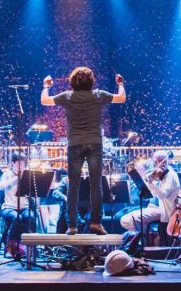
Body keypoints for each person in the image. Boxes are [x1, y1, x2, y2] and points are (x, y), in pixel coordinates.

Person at [41, 67, 126, 235]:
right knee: (96, 185)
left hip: (75, 144)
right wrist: (121, 84)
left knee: (74, 185)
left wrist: (46, 86)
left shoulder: (67, 96)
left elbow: (45, 101)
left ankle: (72, 225)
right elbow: (121, 98)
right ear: (91, 81)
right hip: (94, 143)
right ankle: (96, 222)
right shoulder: (99, 94)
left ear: (72, 81)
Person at [120, 150, 180, 238]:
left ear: (166, 161)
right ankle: (148, 236)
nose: (156, 164)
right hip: (155, 207)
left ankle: (148, 236)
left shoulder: (170, 175)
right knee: (128, 219)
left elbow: (163, 195)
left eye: (159, 161)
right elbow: (152, 194)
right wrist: (148, 182)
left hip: (165, 211)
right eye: (155, 162)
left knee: (127, 220)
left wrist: (151, 183)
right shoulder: (161, 175)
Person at [0, 152, 30, 258]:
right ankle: (10, 247)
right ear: (13, 163)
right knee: (17, 218)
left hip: (24, 207)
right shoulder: (7, 174)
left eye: (23, 163)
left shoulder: (27, 175)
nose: (22, 166)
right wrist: (17, 178)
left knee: (31, 217)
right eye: (19, 163)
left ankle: (27, 246)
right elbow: (0, 187)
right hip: (9, 208)